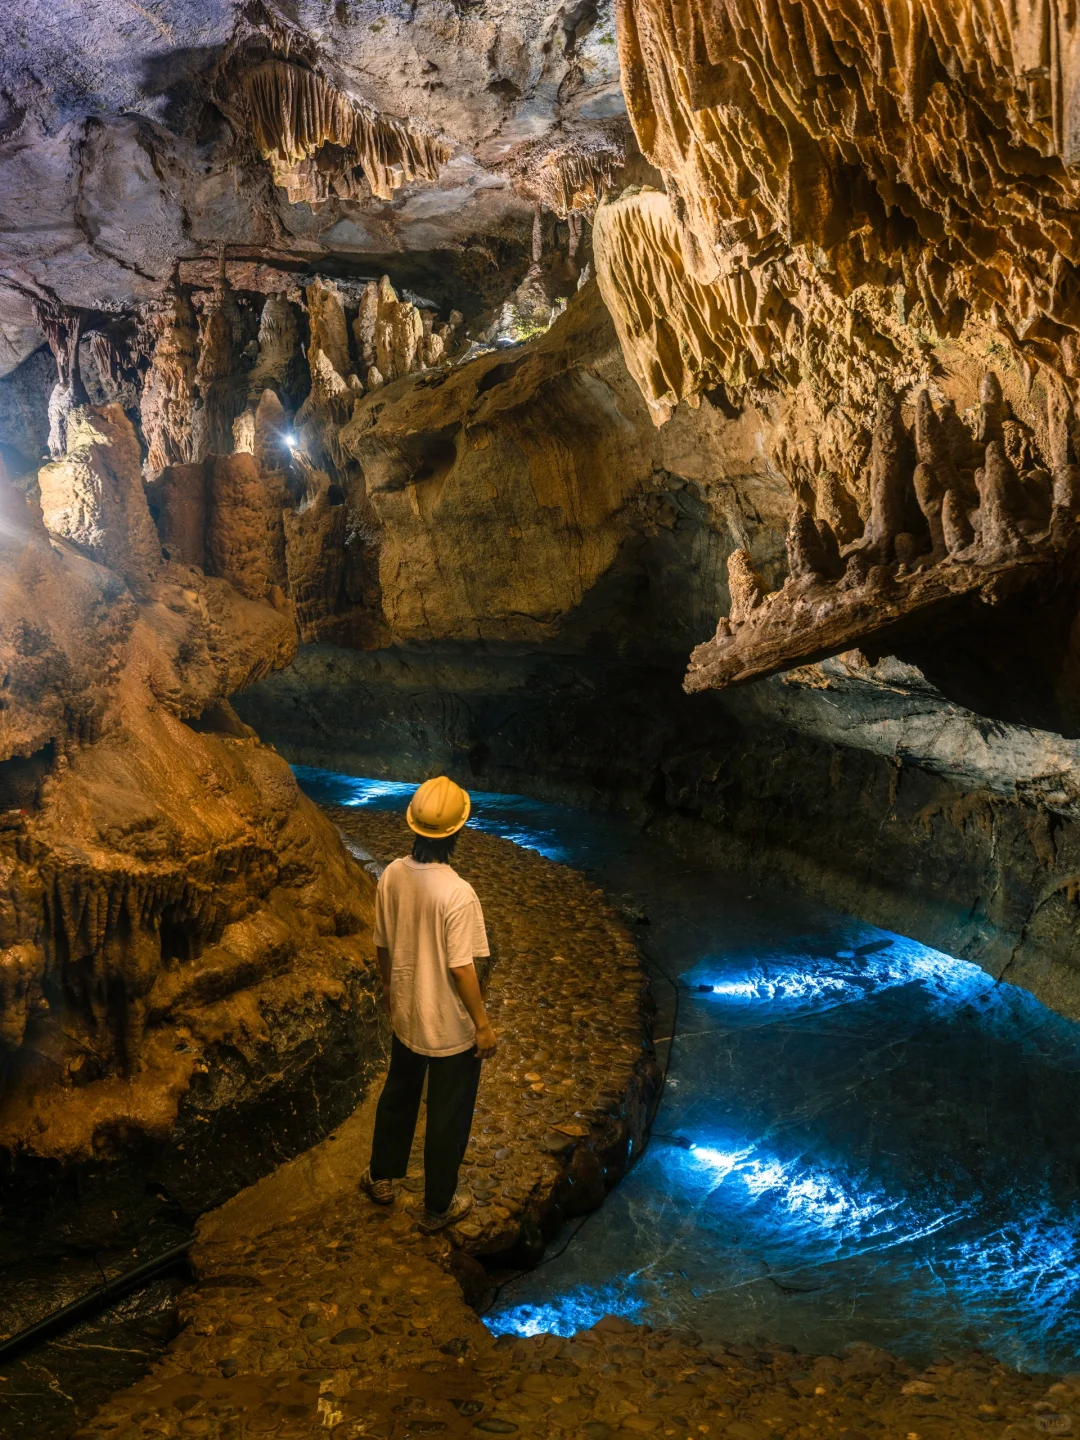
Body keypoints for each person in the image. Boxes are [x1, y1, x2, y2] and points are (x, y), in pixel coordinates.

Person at [359, 775, 498, 1232]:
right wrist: (481, 1025)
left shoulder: (393, 874)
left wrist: (389, 988)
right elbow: (462, 968)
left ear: (413, 827)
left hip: (407, 1015)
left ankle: (382, 1177)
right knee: (447, 1115)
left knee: (398, 1096)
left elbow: (382, 942)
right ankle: (438, 1206)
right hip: (450, 1029)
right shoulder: (457, 893)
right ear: (458, 831)